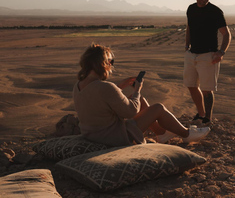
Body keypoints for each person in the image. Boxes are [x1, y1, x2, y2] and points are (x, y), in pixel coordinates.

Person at [73, 43, 210, 147]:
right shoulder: (105, 87)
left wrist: (120, 86)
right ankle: (187, 134)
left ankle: (161, 134)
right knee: (158, 108)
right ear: (103, 64)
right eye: (110, 62)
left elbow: (97, 99)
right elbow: (130, 111)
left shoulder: (78, 85)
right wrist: (137, 90)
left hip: (94, 134)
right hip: (114, 137)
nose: (111, 66)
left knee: (142, 101)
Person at [184, 0, 231, 126]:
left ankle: (207, 119)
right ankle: (201, 113)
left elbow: (226, 34)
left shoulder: (215, 11)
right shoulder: (191, 9)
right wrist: (187, 45)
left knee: (207, 89)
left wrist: (221, 52)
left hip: (208, 55)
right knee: (191, 85)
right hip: (192, 54)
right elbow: (189, 28)